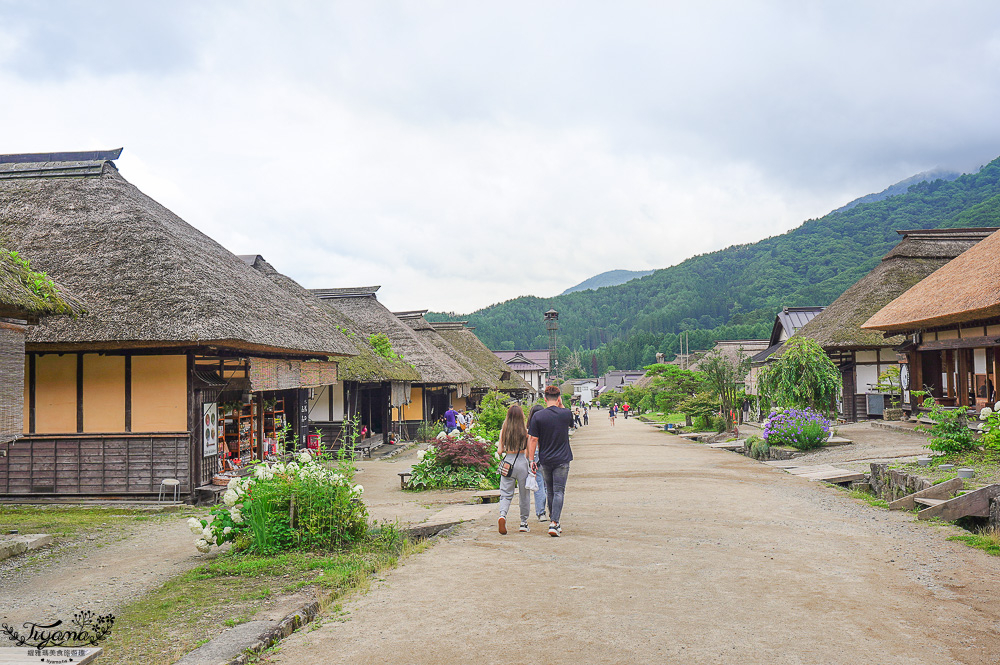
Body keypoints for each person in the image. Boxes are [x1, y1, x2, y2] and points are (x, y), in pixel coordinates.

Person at [527, 385, 574, 537]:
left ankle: (554, 522)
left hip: (545, 458)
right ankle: (554, 522)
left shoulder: (538, 416)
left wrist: (531, 459)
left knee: (550, 490)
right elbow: (571, 424)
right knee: (559, 490)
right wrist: (561, 405)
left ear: (545, 399)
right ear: (559, 398)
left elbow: (533, 438)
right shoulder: (566, 413)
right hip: (562, 458)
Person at [497, 404, 532, 535]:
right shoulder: (525, 431)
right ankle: (523, 523)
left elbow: (500, 451)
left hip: (508, 463)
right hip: (522, 462)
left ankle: (502, 515)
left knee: (506, 493)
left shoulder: (503, 430)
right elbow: (528, 453)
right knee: (524, 494)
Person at [527, 405, 547, 522]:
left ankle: (541, 513)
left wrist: (530, 460)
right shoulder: (546, 424)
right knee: (548, 484)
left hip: (534, 455)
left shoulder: (529, 427)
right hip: (546, 454)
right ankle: (552, 510)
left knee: (539, 484)